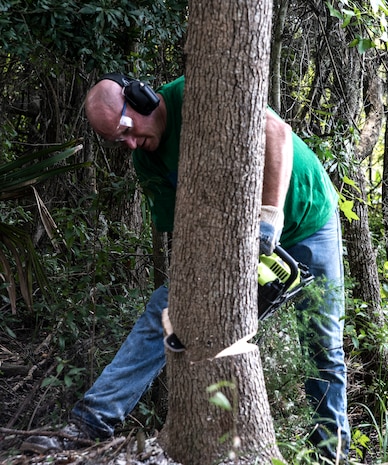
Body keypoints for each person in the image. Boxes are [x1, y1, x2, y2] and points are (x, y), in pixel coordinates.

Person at [22, 74, 350, 461]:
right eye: (117, 141)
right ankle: (89, 423)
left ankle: (331, 455)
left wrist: (269, 217)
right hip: (239, 243)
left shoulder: (197, 92)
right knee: (162, 311)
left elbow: (275, 131)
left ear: (141, 98)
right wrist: (186, 307)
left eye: (126, 129)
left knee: (323, 345)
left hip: (308, 219)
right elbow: (186, 231)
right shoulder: (148, 163)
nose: (128, 144)